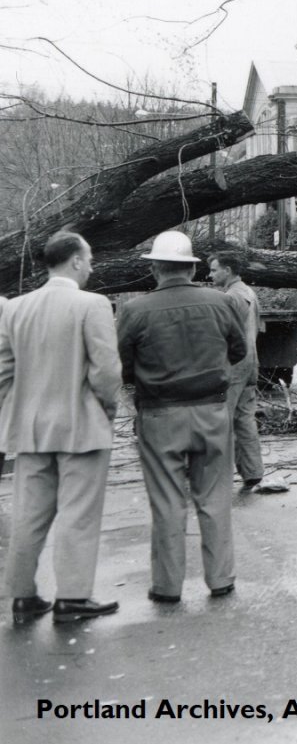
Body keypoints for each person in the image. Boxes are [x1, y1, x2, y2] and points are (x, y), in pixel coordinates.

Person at [117, 230, 247, 603]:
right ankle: (220, 578)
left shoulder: (134, 310)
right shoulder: (222, 303)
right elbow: (238, 352)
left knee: (167, 501)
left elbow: (123, 366)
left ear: (155, 268)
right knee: (215, 497)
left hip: (160, 415)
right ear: (191, 268)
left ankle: (167, 586)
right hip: (211, 410)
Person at [0, 230, 121, 625]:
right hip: (82, 425)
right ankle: (72, 598)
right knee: (78, 514)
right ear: (74, 260)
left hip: (31, 429)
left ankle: (22, 595)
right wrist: (107, 409)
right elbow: (105, 372)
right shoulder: (93, 304)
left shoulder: (15, 308)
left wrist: (18, 409)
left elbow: (4, 370)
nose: (91, 266)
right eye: (89, 259)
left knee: (28, 515)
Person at [207, 250, 287, 495]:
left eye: (213, 270)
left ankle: (214, 476)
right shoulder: (249, 293)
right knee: (244, 419)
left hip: (232, 365)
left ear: (228, 271)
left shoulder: (231, 297)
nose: (210, 275)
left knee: (221, 420)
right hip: (250, 362)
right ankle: (253, 472)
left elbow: (223, 335)